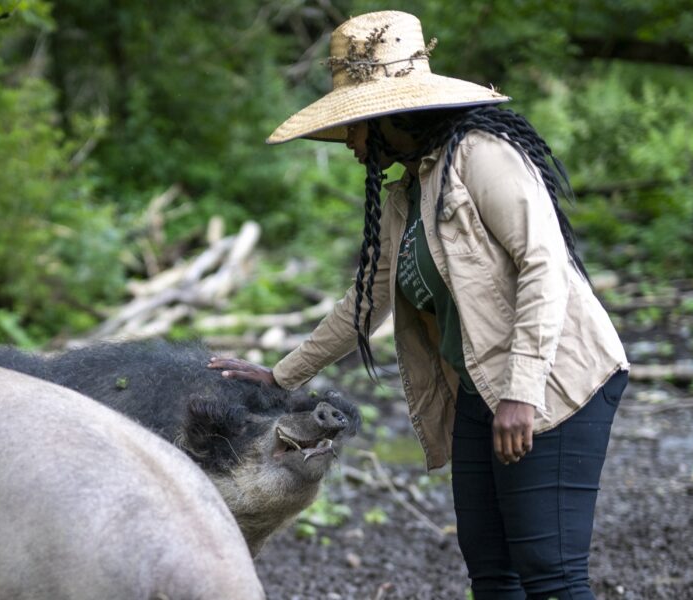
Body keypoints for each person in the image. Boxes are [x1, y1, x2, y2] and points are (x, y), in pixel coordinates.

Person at [207, 11, 629, 600]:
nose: (352, 142)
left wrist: (521, 392)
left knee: (550, 574)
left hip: (555, 383)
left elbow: (544, 267)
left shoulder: (483, 157)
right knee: (491, 571)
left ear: (390, 117)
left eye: (355, 126)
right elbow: (367, 297)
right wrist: (282, 376)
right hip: (485, 388)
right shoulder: (411, 192)